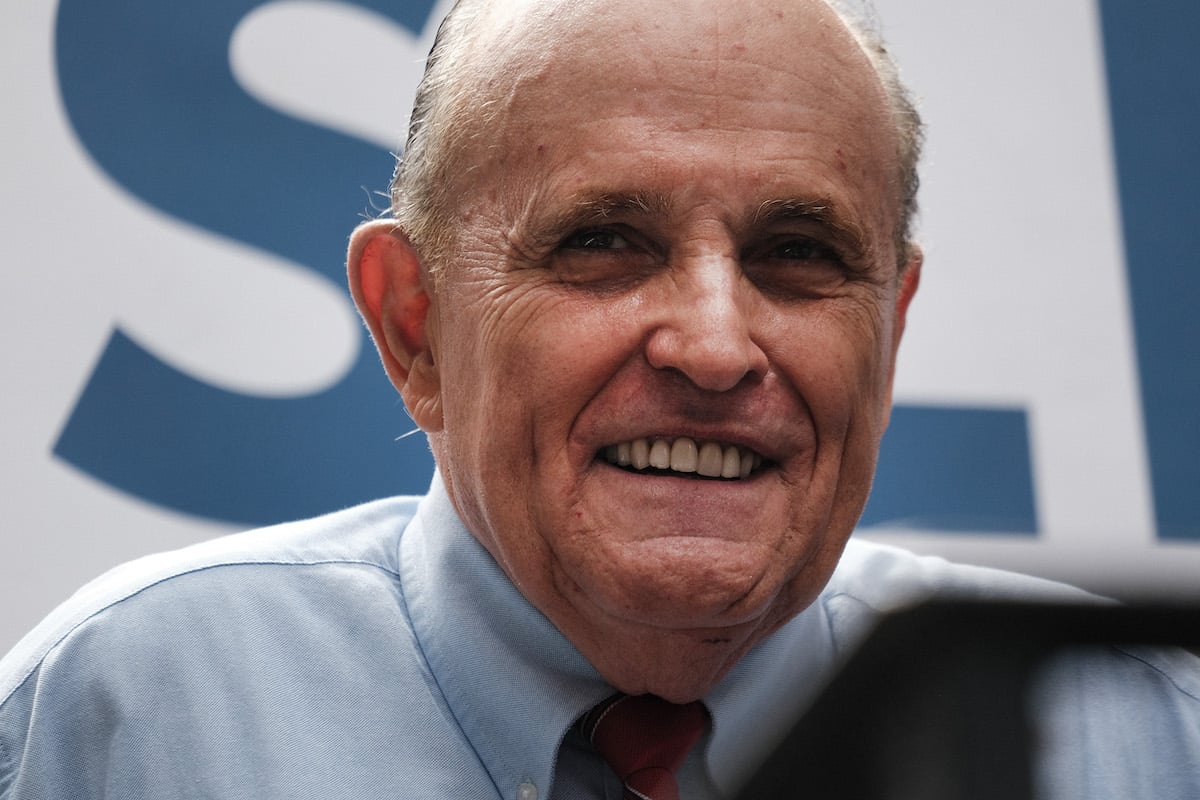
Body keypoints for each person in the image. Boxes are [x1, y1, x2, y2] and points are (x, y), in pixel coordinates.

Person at [1, 0, 1196, 798]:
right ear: (414, 325)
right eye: (606, 241)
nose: (717, 346)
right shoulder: (124, 716)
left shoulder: (1125, 735)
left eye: (800, 253)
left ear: (889, 328)